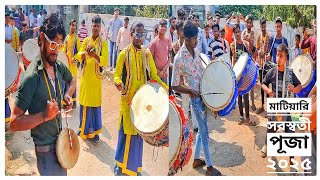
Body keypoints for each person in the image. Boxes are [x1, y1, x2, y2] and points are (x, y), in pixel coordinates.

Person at [9, 13, 76, 176]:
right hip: (45, 153)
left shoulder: (59, 66)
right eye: (53, 44)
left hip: (62, 145)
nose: (56, 50)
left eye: (59, 45)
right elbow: (14, 122)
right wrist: (44, 116)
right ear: (41, 38)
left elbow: (73, 79)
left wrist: (68, 94)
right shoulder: (31, 77)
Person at [113, 21, 167, 176]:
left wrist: (164, 88)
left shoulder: (147, 53)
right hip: (128, 100)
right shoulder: (124, 54)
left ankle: (134, 167)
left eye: (142, 35)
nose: (139, 38)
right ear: (131, 34)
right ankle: (120, 164)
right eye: (137, 34)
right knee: (125, 132)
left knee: (138, 134)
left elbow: (154, 75)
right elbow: (117, 74)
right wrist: (118, 82)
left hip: (142, 102)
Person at [171, 21, 221, 176]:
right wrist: (189, 90)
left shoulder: (197, 50)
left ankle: (196, 159)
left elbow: (202, 71)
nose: (197, 40)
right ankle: (210, 167)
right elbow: (174, 85)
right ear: (186, 39)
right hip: (195, 100)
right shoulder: (179, 58)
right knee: (204, 132)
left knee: (202, 129)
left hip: (204, 95)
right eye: (194, 38)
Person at [260, 44, 302, 165]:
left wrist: (294, 89)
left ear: (286, 59)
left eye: (281, 56)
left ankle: (291, 159)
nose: (278, 58)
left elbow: (300, 86)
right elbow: (263, 83)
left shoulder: (290, 73)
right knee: (271, 128)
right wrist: (267, 90)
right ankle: (267, 146)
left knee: (290, 132)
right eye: (277, 55)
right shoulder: (272, 72)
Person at [75, 15, 108, 143]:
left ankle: (94, 133)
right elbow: (78, 55)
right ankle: (83, 129)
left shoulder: (103, 43)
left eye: (98, 26)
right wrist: (85, 54)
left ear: (100, 28)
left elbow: (105, 61)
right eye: (94, 25)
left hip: (96, 81)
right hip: (85, 79)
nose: (95, 28)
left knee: (94, 106)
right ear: (91, 26)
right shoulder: (86, 40)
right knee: (84, 104)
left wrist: (95, 56)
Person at [230, 24, 255, 126]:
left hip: (246, 73)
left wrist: (254, 63)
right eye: (235, 32)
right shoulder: (232, 45)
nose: (237, 34)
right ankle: (241, 116)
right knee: (239, 96)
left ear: (241, 32)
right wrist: (233, 74)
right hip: (238, 75)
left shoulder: (245, 44)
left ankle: (248, 117)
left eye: (238, 32)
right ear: (233, 34)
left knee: (246, 95)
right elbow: (232, 61)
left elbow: (249, 56)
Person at [61, 19, 81, 109]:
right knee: (65, 83)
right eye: (72, 25)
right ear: (69, 26)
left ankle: (73, 103)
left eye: (75, 25)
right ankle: (65, 103)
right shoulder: (67, 37)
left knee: (72, 83)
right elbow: (64, 50)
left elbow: (80, 52)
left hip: (73, 66)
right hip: (66, 65)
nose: (73, 27)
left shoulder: (76, 39)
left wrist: (74, 58)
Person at [255, 17, 271, 115]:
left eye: (264, 26)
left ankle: (269, 109)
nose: (263, 27)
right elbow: (256, 48)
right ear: (260, 26)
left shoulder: (269, 36)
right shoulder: (258, 36)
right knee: (262, 85)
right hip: (261, 64)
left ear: (266, 26)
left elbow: (271, 50)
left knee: (268, 86)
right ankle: (262, 106)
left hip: (267, 65)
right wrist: (259, 51)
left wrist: (267, 54)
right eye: (262, 26)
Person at [149, 19, 172, 85]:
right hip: (155, 73)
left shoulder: (167, 40)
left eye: (165, 27)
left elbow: (169, 56)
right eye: (161, 26)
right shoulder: (153, 43)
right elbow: (150, 60)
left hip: (164, 73)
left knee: (164, 91)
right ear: (158, 28)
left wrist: (164, 70)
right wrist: (158, 72)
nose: (163, 28)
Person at [241, 14, 257, 111]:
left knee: (251, 81)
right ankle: (244, 101)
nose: (248, 24)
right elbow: (241, 45)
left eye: (250, 22)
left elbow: (253, 48)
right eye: (247, 22)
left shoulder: (253, 34)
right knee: (243, 81)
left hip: (251, 60)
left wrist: (248, 42)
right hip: (244, 60)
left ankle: (252, 102)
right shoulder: (243, 32)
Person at [106, 7, 123, 71]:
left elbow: (122, 30)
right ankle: (110, 66)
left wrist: (120, 39)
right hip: (111, 39)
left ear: (118, 13)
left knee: (115, 54)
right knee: (110, 53)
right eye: (116, 12)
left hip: (116, 40)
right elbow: (108, 27)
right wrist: (107, 35)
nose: (116, 13)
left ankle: (114, 67)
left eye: (117, 12)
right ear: (114, 13)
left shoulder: (120, 21)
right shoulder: (111, 20)